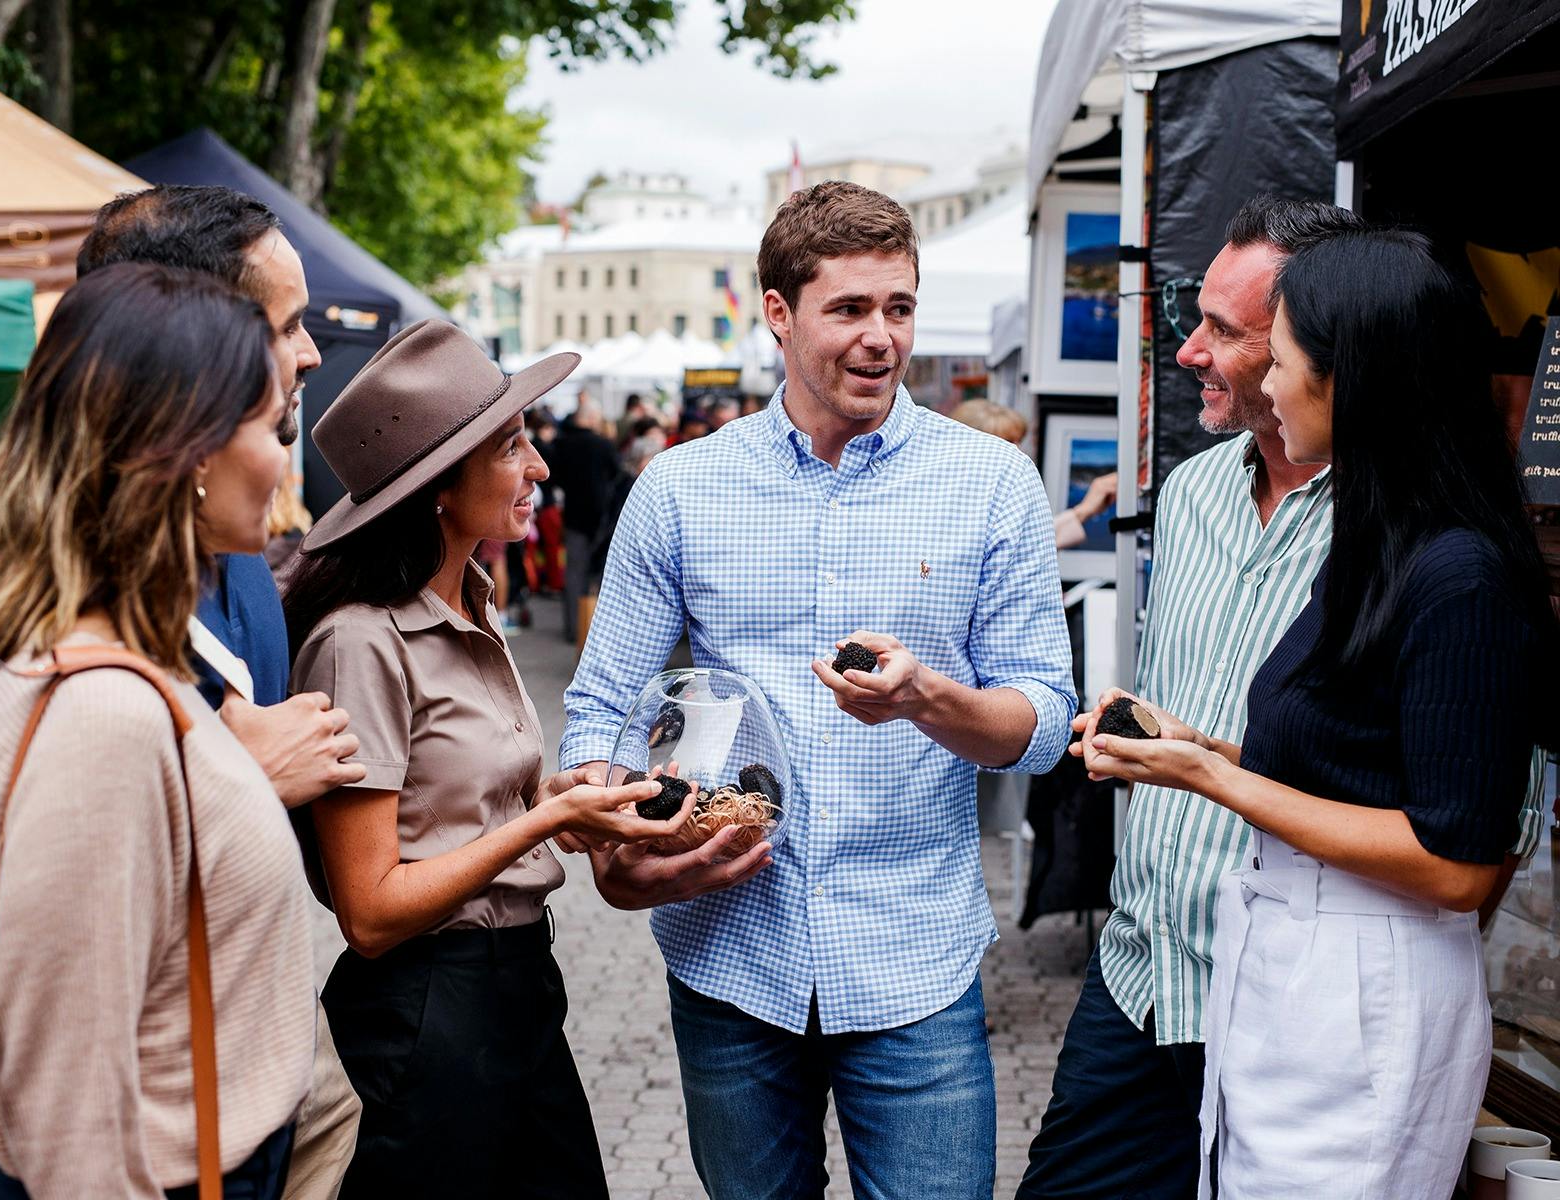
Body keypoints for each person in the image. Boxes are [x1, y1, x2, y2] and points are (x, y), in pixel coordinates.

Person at [1015, 196, 1545, 1199]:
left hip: (1313, 995)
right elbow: (1325, 748)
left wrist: (1203, 773)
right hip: (1153, 969)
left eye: (1238, 332)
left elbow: (1465, 847)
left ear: (1350, 364)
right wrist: (1189, 744)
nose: (1189, 354)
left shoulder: (1431, 555)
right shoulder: (1199, 493)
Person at [562, 181, 1077, 1200]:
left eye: (899, 307)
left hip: (914, 954)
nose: (880, 337)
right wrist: (615, 824)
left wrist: (928, 698)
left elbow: (1043, 723)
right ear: (779, 313)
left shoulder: (991, 483)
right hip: (729, 947)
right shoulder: (681, 487)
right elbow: (602, 704)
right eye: (849, 309)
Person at [279, 320, 690, 1199]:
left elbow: (447, 807)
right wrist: (545, 821)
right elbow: (373, 912)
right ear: (436, 486)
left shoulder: (472, 599)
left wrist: (554, 795)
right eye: (511, 446)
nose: (539, 466)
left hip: (519, 993)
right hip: (427, 1013)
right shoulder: (361, 642)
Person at [0, 263, 316, 1198]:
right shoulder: (101, 715)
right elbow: (67, 1123)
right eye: (264, 424)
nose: (282, 457)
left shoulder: (57, 647)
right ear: (189, 451)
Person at [948, 399, 1117, 549]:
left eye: (1018, 442)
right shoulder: (959, 499)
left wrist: (1084, 511)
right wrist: (1083, 511)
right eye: (1006, 443)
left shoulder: (1006, 488)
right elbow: (1022, 546)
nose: (1018, 452)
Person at [544, 396, 620, 642]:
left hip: (574, 516)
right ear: (591, 419)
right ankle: (597, 632)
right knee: (601, 575)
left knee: (574, 574)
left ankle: (575, 629)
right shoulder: (604, 445)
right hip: (602, 519)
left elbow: (553, 478)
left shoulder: (562, 444)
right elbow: (616, 477)